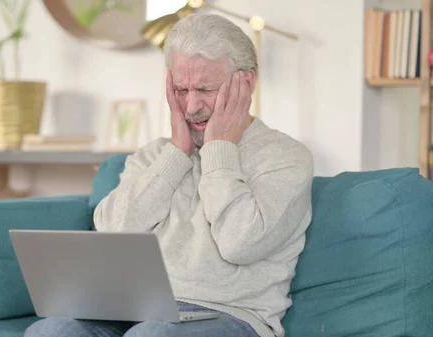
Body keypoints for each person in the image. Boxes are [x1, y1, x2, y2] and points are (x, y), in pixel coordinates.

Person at [24, 13, 313, 337]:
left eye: (205, 89)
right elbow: (113, 232)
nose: (190, 107)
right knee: (52, 331)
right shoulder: (155, 155)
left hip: (230, 317)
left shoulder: (285, 158)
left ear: (246, 83)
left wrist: (219, 149)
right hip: (133, 310)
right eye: (180, 89)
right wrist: (177, 153)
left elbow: (240, 244)